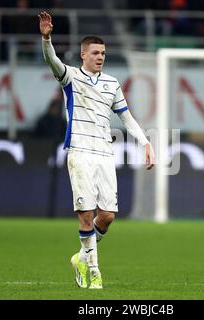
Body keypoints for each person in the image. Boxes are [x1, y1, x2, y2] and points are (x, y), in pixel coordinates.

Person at [38, 11, 155, 290]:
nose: (100, 57)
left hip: (105, 153)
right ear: (83, 55)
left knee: (108, 216)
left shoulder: (112, 83)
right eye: (95, 52)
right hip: (79, 151)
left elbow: (126, 118)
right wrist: (46, 38)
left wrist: (146, 142)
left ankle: (80, 256)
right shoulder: (70, 77)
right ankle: (94, 272)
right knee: (86, 214)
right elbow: (51, 60)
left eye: (103, 52)